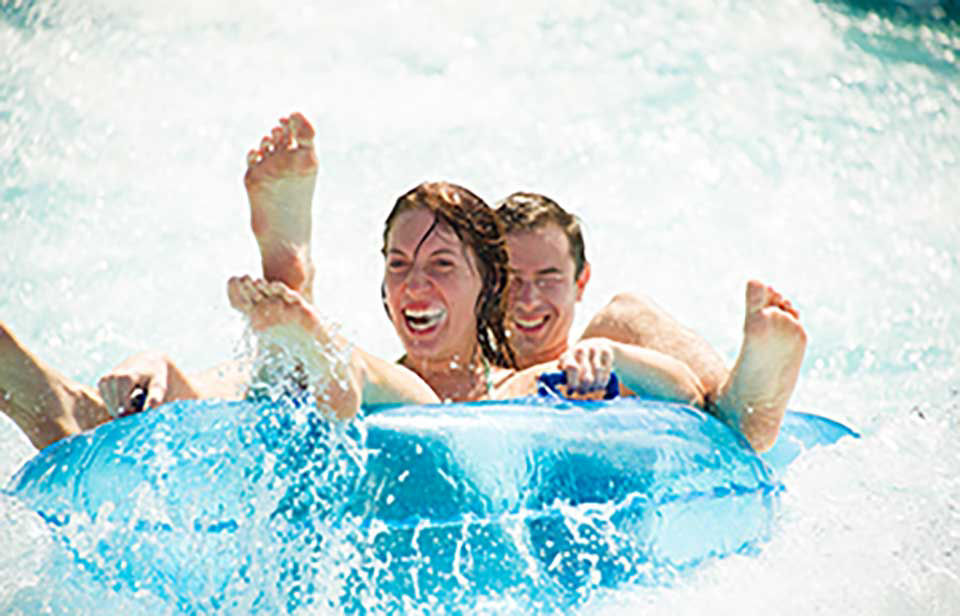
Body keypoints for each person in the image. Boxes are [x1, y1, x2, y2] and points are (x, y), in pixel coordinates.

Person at [494, 192, 807, 451]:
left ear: (581, 281)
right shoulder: (471, 370)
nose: (529, 300)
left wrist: (612, 354)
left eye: (548, 280)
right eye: (512, 279)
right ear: (487, 284)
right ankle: (733, 414)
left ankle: (736, 406)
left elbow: (686, 392)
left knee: (624, 312)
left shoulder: (609, 356)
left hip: (630, 399)